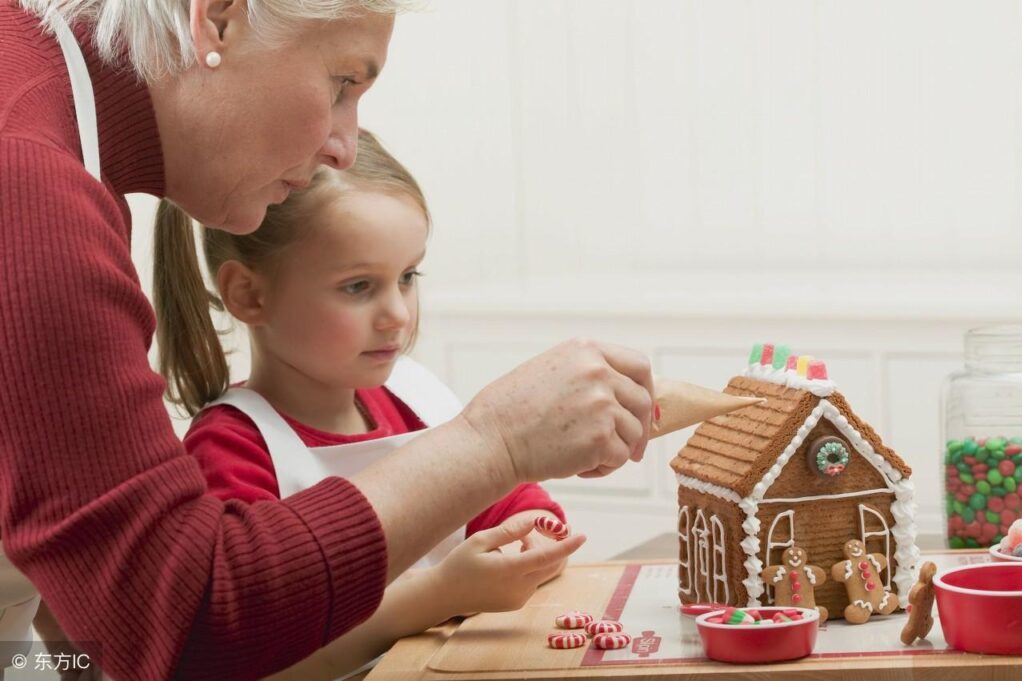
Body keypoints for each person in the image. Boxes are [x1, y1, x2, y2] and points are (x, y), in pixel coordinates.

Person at [0, 2, 654, 679]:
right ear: (219, 19)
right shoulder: (25, 186)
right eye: (343, 83)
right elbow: (184, 620)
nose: (344, 145)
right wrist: (496, 440)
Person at [157, 129, 577, 678]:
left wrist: (527, 542)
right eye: (358, 286)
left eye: (407, 277)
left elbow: (524, 508)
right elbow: (251, 652)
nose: (398, 314)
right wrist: (439, 595)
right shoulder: (230, 448)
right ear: (249, 295)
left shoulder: (416, 397)